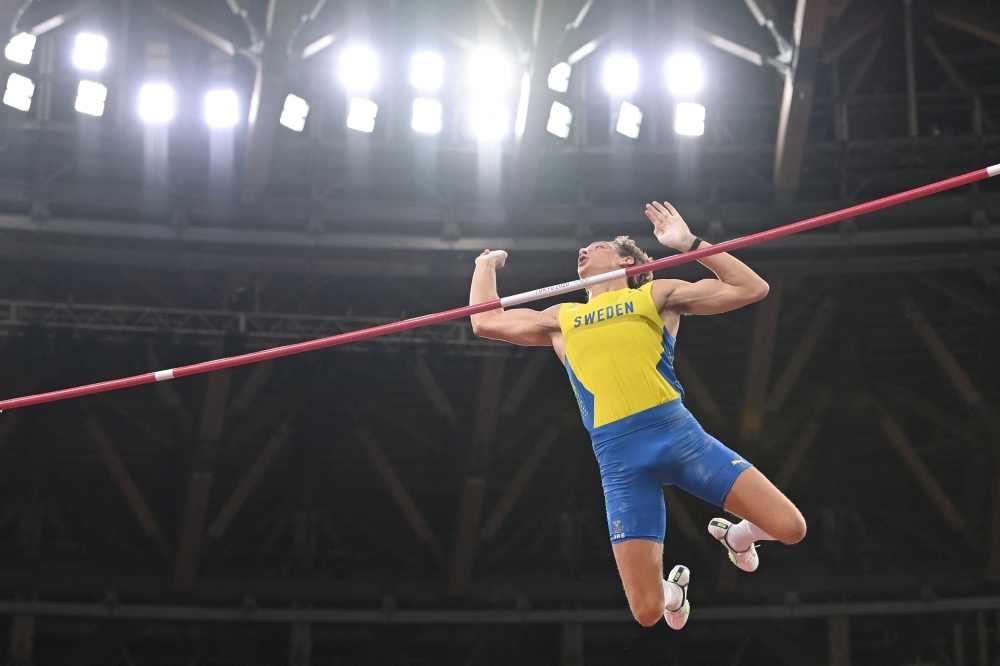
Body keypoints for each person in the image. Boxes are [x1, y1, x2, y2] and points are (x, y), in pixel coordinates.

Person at [468, 201, 807, 629]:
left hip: (680, 438)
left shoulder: (655, 295)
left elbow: (751, 288)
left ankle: (738, 535)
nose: (583, 251)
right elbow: (485, 323)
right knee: (647, 612)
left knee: (791, 527)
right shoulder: (561, 317)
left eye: (597, 246)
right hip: (620, 461)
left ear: (626, 261)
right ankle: (674, 593)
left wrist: (689, 244)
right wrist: (485, 266)